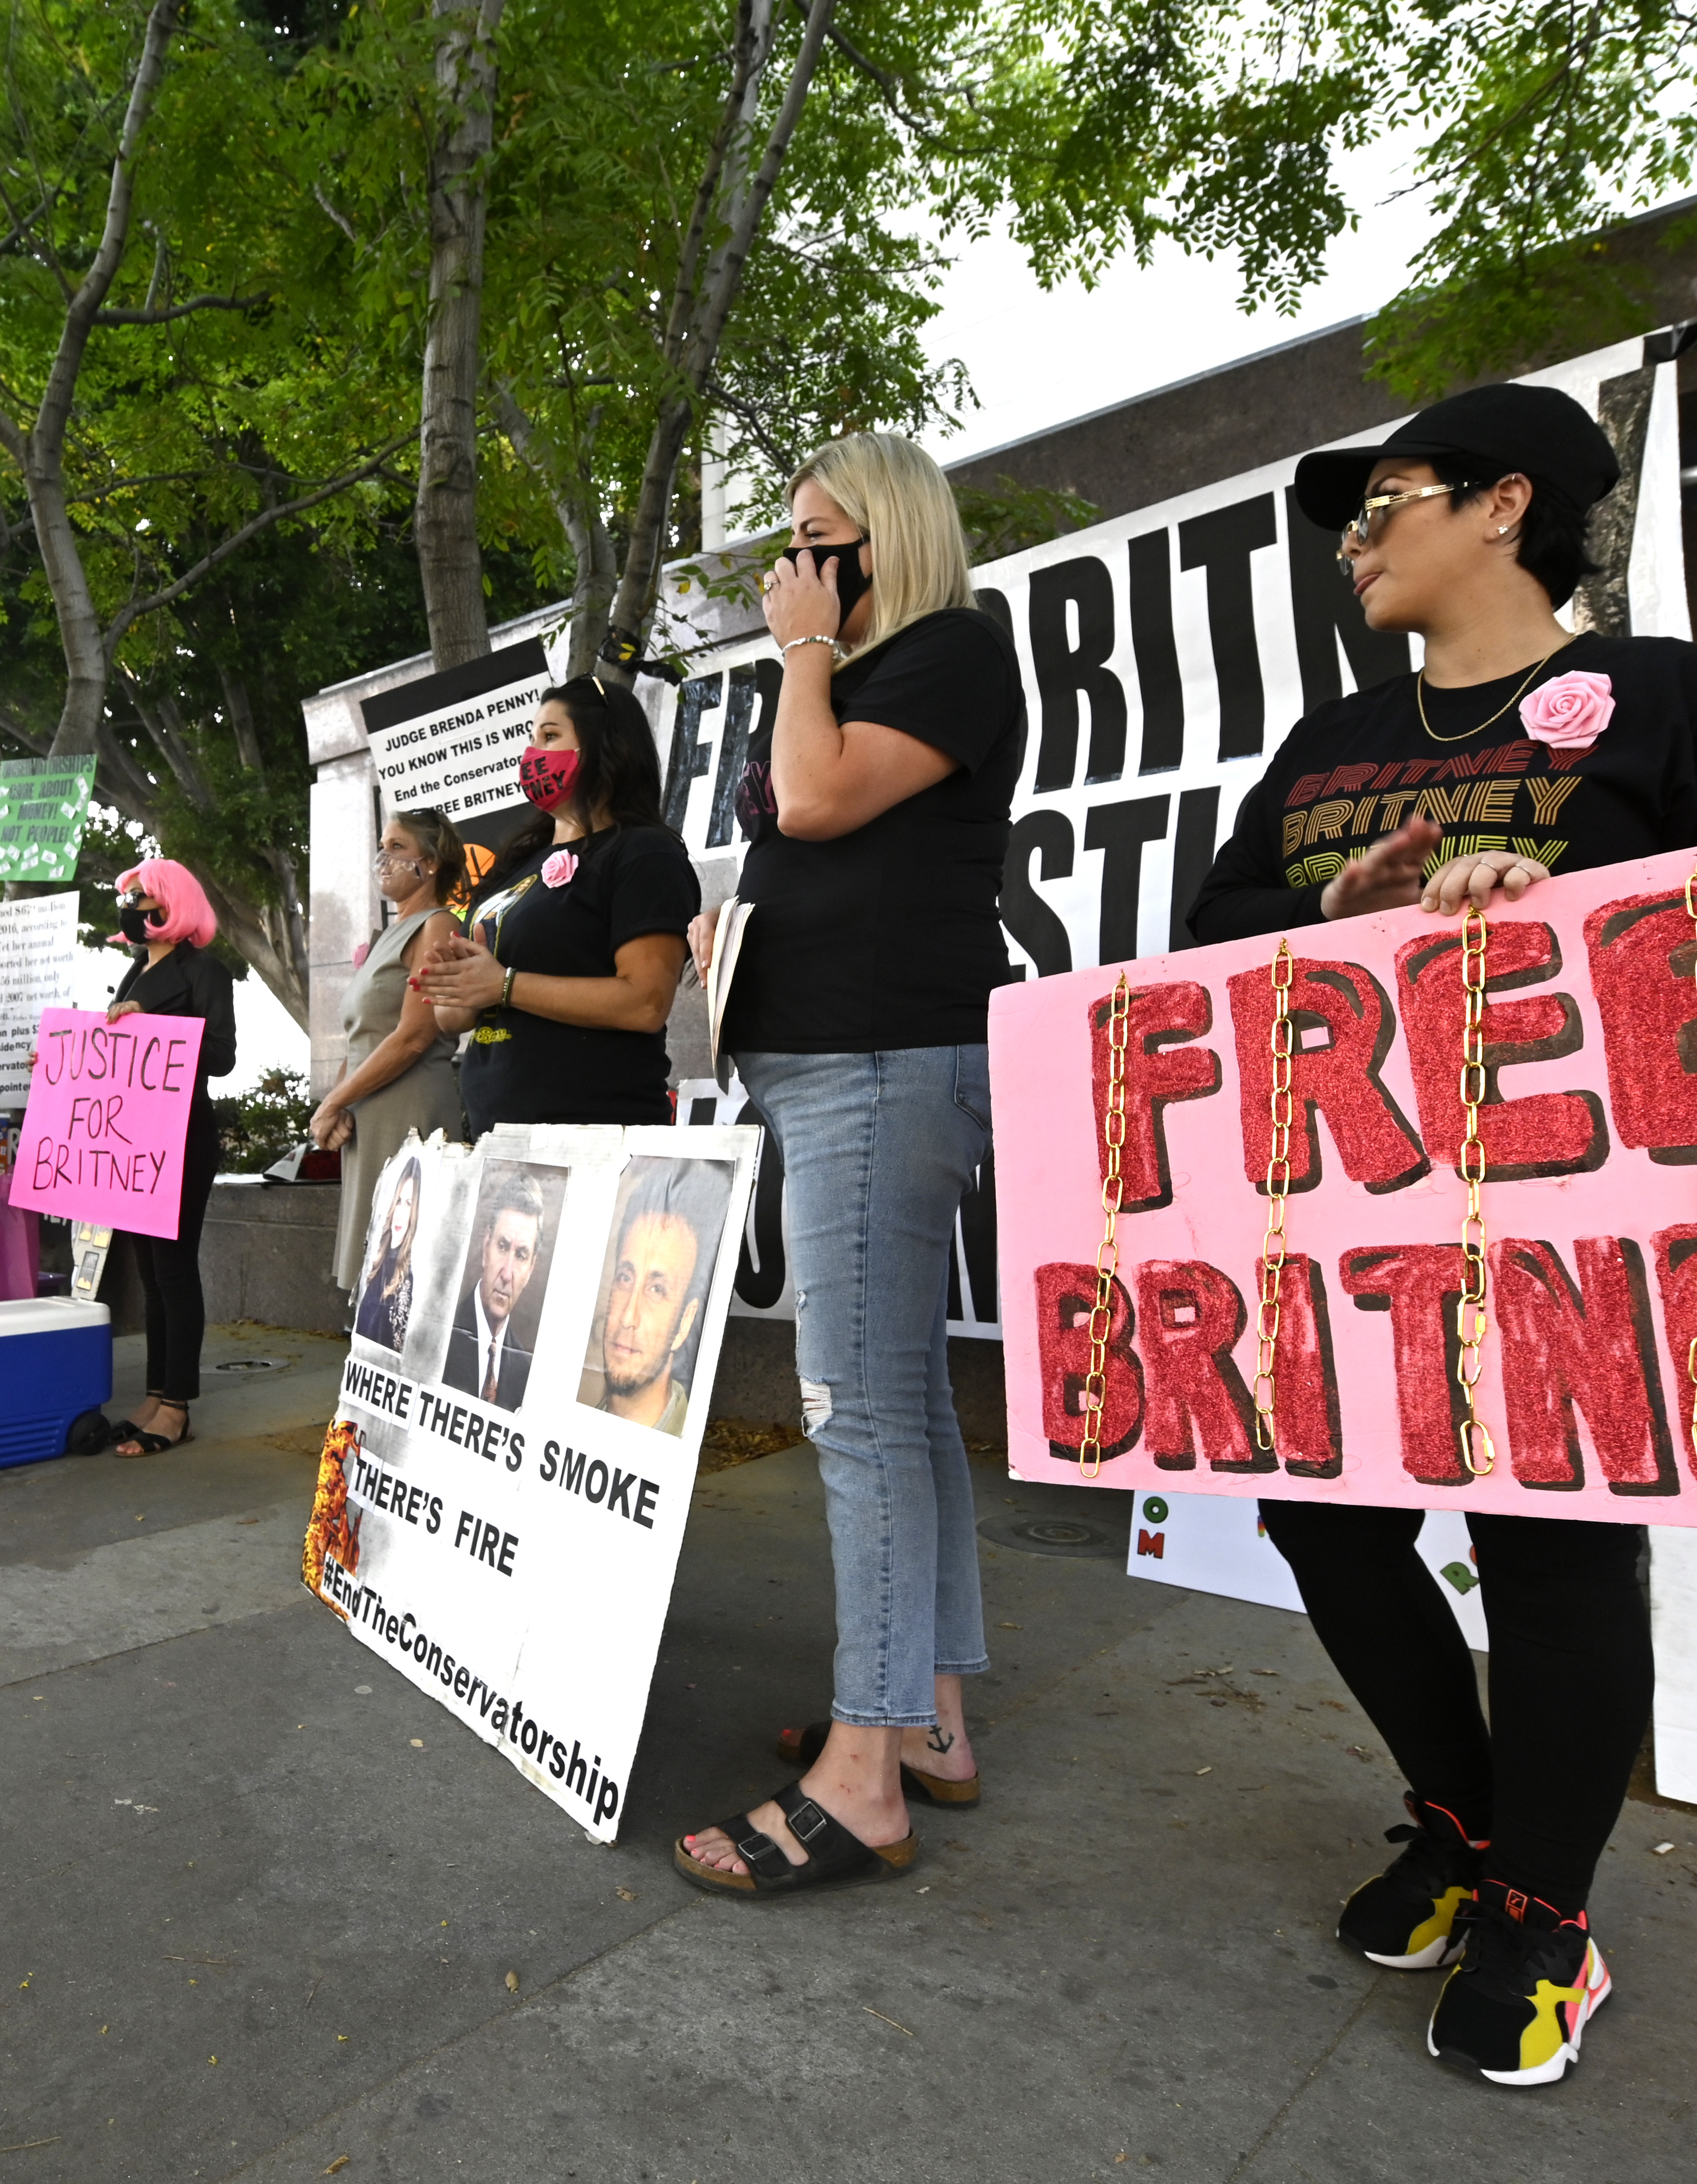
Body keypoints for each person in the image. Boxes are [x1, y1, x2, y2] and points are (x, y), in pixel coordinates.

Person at [1177, 382, 1697, 2086]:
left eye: (1383, 498)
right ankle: (1463, 1822)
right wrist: (1342, 903)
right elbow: (1204, 938)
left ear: (1504, 504)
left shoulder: (1688, 702)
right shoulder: (1327, 749)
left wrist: (1563, 909)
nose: (1355, 538)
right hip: (1342, 1215)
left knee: (1548, 1554)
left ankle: (1547, 1909)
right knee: (1320, 1517)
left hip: (1573, 1217)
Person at [675, 430, 1022, 1900]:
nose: (791, 573)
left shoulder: (949, 650)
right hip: (834, 1062)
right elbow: (814, 840)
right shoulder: (868, 673)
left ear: (886, 539)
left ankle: (865, 1776)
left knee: (861, 1420)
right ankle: (927, 1715)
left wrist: (803, 651)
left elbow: (813, 801)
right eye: (792, 546)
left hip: (881, 1067)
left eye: (820, 541)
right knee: (906, 1416)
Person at [416, 681, 695, 1129]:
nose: (532, 755)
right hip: (495, 1138)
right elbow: (454, 1021)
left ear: (605, 744)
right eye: (531, 740)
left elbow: (645, 1002)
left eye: (549, 737)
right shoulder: (517, 863)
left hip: (592, 1136)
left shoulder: (644, 854)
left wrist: (504, 984)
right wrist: (458, 984)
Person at [102, 859, 233, 1456]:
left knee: (175, 1269)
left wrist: (150, 1024)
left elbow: (221, 1054)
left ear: (172, 904)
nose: (131, 907)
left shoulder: (206, 971)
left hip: (181, 1137)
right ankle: (157, 1391)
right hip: (136, 1139)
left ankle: (177, 1405)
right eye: (127, 897)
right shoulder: (132, 973)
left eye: (143, 897)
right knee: (151, 1275)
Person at [312, 810, 467, 1291]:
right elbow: (364, 1040)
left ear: (433, 861)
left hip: (409, 1113)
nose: (384, 857)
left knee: (403, 1280)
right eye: (383, 846)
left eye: (398, 848)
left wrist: (335, 1101)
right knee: (374, 1276)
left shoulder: (437, 924)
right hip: (371, 1115)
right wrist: (337, 1103)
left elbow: (414, 1035)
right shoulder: (391, 934)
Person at [578, 1158, 722, 1434]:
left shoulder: (688, 1453)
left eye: (657, 1290)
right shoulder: (572, 1430)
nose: (628, 1317)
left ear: (684, 1323)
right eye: (625, 1278)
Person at [440, 1164, 553, 1410]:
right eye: (503, 1247)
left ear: (532, 1268)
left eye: (521, 1255)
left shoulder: (526, 1372)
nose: (507, 1273)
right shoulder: (440, 1337)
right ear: (486, 1246)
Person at [351, 1156, 424, 1353]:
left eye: (409, 1204)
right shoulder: (379, 1259)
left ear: (416, 1213)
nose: (400, 1212)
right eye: (399, 1201)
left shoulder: (406, 1277)